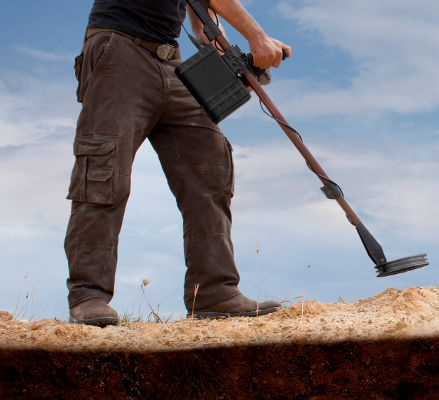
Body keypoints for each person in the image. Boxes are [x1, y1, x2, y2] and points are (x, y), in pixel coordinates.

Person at [65, 0, 291, 326]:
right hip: (119, 50)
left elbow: (203, 23)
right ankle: (89, 296)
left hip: (171, 61)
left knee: (210, 164)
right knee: (104, 169)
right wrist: (257, 35)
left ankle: (215, 292)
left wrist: (231, 57)